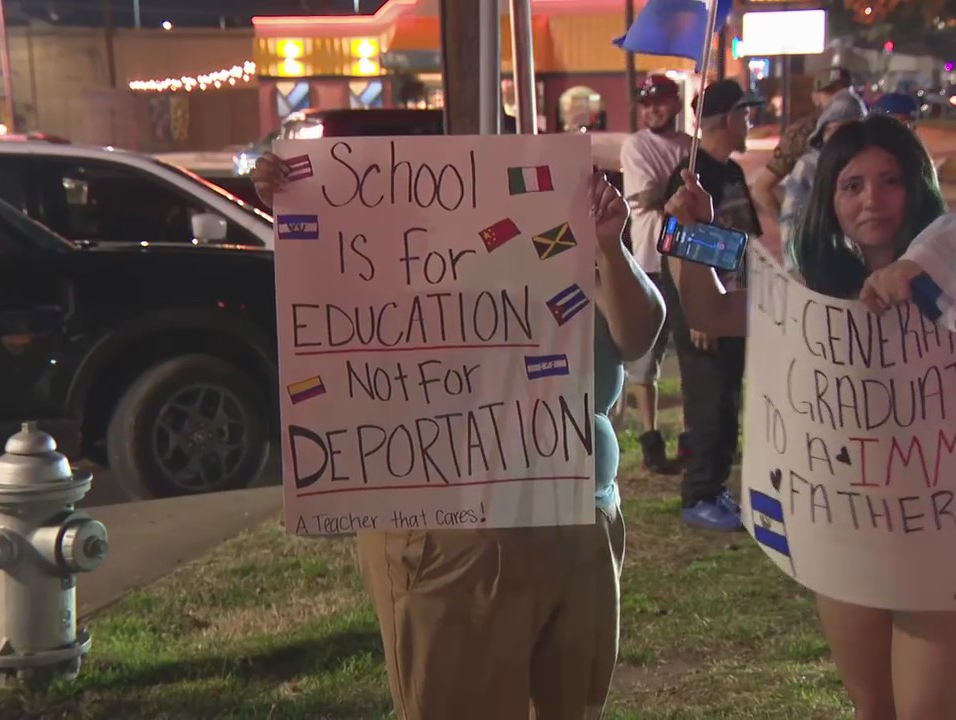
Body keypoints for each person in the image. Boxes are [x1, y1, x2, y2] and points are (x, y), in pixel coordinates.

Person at [665, 115, 956, 719]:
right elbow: (711, 314)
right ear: (830, 200)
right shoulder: (814, 292)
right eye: (852, 185)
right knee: (874, 708)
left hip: (955, 532)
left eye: (891, 180)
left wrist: (918, 265)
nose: (872, 199)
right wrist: (688, 233)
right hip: (852, 528)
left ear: (918, 185)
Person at [252, 151, 666, 720]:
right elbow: (340, 327)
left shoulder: (561, 240)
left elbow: (639, 334)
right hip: (451, 535)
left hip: (574, 520)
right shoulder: (399, 262)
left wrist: (609, 245)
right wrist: (301, 213)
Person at [659, 78, 762, 532]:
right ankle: (698, 494)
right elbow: (673, 245)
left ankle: (717, 487)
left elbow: (745, 239)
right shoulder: (690, 176)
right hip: (703, 310)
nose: (750, 121)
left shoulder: (733, 173)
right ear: (725, 119)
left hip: (736, 306)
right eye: (745, 113)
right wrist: (696, 313)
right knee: (708, 400)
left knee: (729, 400)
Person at [619, 74, 692, 474]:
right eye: (645, 103)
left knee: (693, 356)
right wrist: (680, 189)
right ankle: (650, 439)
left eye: (659, 101)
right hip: (651, 260)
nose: (652, 109)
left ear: (676, 103)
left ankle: (689, 436)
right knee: (646, 359)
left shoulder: (688, 146)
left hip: (688, 261)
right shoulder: (636, 145)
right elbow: (646, 197)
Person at [751, 66, 862, 219]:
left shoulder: (869, 127)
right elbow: (761, 188)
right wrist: (790, 228)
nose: (839, 97)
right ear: (815, 97)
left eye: (844, 90)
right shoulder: (801, 133)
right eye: (830, 92)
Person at [779, 90, 868, 270]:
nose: (842, 140)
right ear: (823, 133)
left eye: (850, 131)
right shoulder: (808, 167)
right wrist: (795, 270)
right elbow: (791, 220)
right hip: (818, 269)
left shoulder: (872, 166)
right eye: (835, 130)